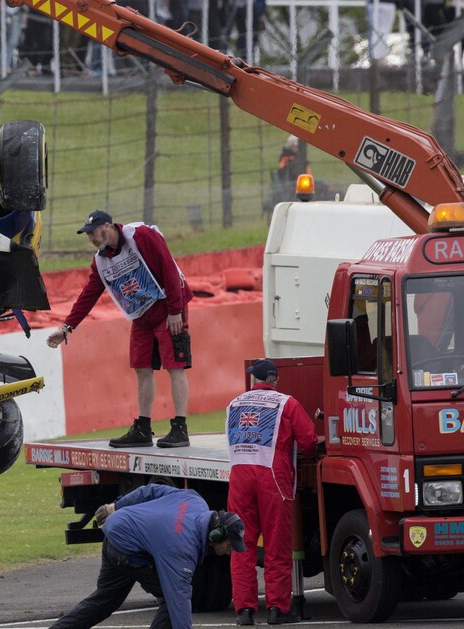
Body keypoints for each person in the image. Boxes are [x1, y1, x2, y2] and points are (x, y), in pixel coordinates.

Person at [47, 209, 194, 449]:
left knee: (175, 366)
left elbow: (168, 267)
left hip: (167, 309)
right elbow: (88, 295)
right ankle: (143, 428)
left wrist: (175, 310)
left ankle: (180, 428)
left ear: (106, 227)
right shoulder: (100, 261)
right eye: (88, 235)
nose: (90, 239)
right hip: (141, 315)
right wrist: (66, 328)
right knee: (141, 368)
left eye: (92, 233)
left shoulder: (142, 236)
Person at [50, 483, 246, 628]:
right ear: (215, 535)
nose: (229, 551)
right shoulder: (183, 548)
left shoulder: (194, 500)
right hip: (126, 548)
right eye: (229, 545)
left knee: (104, 601)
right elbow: (179, 599)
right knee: (171, 601)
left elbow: (151, 490)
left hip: (114, 535)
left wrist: (115, 506)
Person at [226, 359, 316, 626]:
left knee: (241, 545)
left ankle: (244, 611)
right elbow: (309, 441)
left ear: (255, 379)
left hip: (239, 479)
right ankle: (277, 609)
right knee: (277, 546)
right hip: (273, 479)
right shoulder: (287, 403)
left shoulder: (234, 404)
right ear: (275, 380)